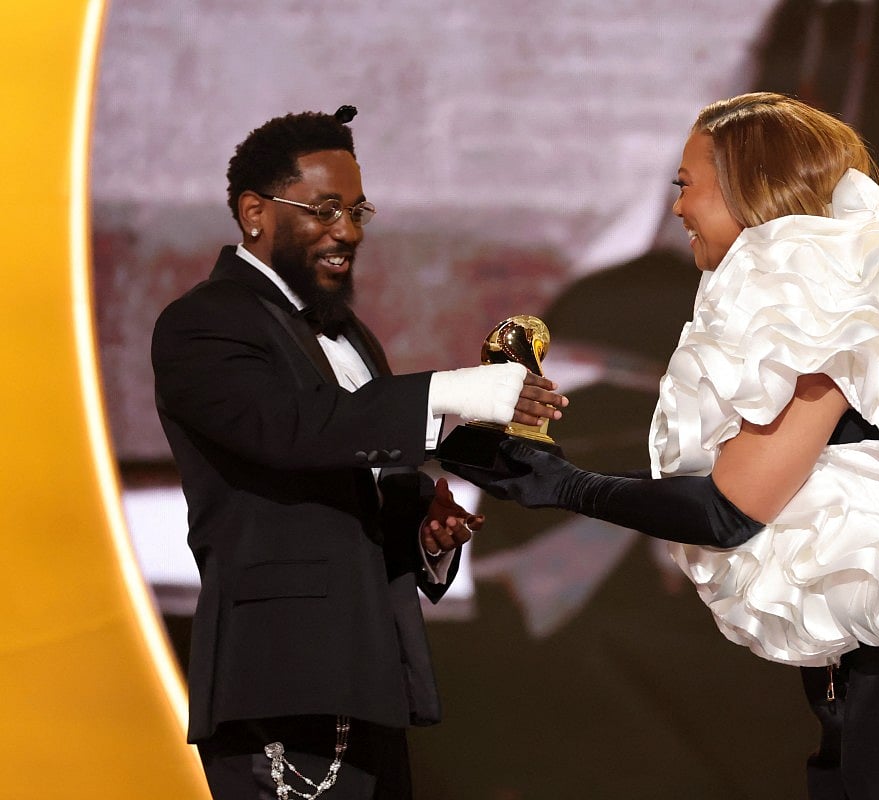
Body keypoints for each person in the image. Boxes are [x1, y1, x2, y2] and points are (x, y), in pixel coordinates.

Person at [450, 93, 879, 798]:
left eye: (686, 185)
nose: (678, 209)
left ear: (747, 183)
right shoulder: (830, 271)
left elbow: (732, 508)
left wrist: (556, 482)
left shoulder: (816, 279)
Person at [151, 106, 567, 799]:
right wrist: (453, 390)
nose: (347, 231)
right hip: (280, 684)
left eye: (357, 210)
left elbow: (353, 471)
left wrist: (424, 531)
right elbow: (294, 428)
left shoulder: (352, 337)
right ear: (254, 212)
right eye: (324, 210)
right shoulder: (203, 324)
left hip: (369, 677)